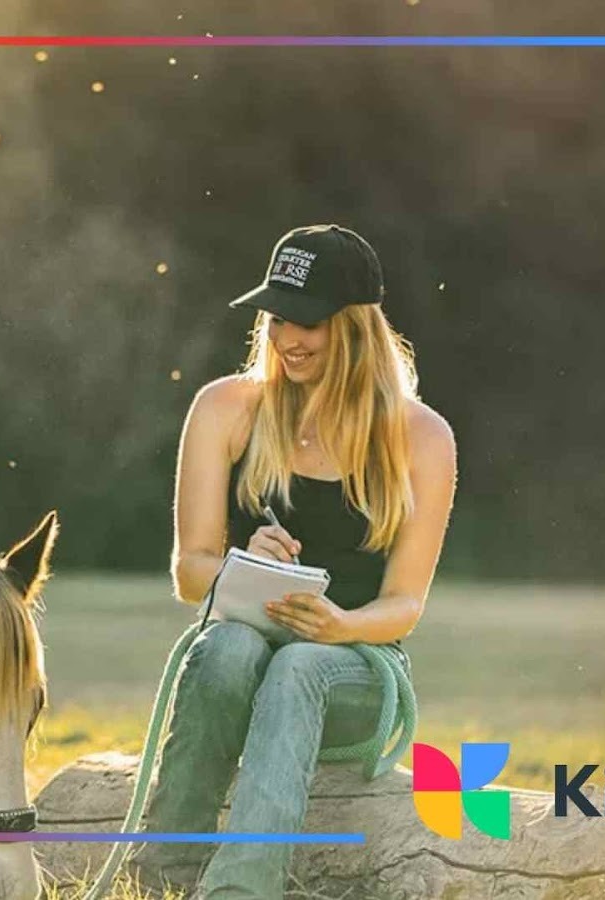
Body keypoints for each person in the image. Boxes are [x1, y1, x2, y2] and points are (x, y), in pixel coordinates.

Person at [140, 224, 457, 898]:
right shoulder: (226, 408)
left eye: (306, 320)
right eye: (277, 316)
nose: (286, 337)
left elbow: (404, 605)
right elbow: (190, 573)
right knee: (227, 648)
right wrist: (240, 563)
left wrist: (342, 625)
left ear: (355, 327)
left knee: (299, 666)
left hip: (354, 670)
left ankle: (241, 892)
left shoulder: (422, 437)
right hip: (242, 661)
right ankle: (163, 879)